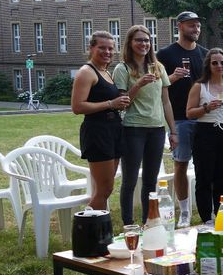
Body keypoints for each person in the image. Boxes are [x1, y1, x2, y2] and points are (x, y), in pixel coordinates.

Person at [113, 25, 177, 225]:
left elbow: (166, 101)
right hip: (133, 129)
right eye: (139, 40)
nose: (144, 44)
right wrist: (139, 84)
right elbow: (123, 102)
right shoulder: (122, 69)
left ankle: (148, 223)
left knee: (150, 180)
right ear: (130, 43)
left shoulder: (158, 67)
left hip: (156, 129)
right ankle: (129, 225)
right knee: (130, 180)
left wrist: (173, 131)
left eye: (147, 40)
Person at [156, 11, 207, 226]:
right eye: (191, 25)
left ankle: (207, 210)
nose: (196, 29)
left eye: (198, 25)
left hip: (204, 117)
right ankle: (184, 212)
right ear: (179, 26)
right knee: (181, 164)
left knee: (206, 166)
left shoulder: (205, 54)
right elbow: (155, 85)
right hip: (179, 118)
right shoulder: (165, 54)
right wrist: (172, 78)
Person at [70, 31, 130, 210]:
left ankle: (100, 224)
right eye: (102, 48)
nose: (107, 52)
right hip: (97, 132)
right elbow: (77, 107)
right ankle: (87, 224)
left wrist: (119, 103)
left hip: (113, 130)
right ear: (91, 48)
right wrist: (111, 103)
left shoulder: (106, 71)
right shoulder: (86, 72)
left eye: (111, 48)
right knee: (104, 189)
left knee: (105, 189)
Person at [186, 48, 223, 225]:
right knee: (204, 177)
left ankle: (221, 215)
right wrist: (206, 108)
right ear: (208, 65)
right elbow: (189, 113)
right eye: (215, 63)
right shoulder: (200, 86)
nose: (219, 66)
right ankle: (207, 219)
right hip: (205, 133)